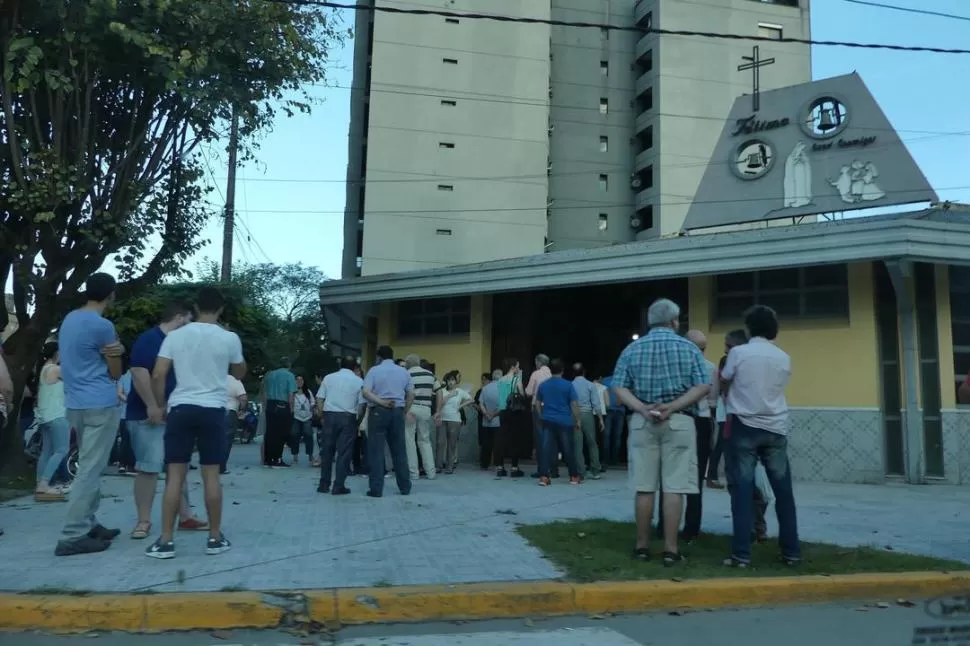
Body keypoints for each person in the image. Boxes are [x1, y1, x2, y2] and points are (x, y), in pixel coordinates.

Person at [145, 287, 246, 559]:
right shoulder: (230, 338)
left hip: (181, 407)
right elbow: (239, 371)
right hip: (213, 409)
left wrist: (159, 404)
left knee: (174, 476)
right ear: (221, 309)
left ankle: (165, 541)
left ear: (196, 307)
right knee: (211, 475)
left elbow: (158, 373)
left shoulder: (175, 336)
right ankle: (214, 538)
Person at [610, 298, 710, 567]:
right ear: (675, 321)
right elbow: (703, 386)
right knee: (674, 487)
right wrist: (673, 406)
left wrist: (642, 408)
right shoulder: (688, 348)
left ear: (650, 321)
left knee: (644, 487)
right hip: (678, 421)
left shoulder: (632, 349)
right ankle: (670, 549)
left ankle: (642, 546)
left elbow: (619, 386)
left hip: (643, 423)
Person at [721, 305, 801, 568]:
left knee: (742, 492)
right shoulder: (783, 357)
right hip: (776, 427)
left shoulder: (738, 353)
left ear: (749, 328)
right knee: (784, 492)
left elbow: (724, 379)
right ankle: (791, 552)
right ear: (773, 329)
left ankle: (741, 554)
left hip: (744, 424)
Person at [55, 272, 126, 556]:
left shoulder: (69, 319)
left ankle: (89, 523)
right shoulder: (102, 325)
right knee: (89, 469)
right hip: (100, 402)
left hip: (75, 403)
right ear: (111, 294)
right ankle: (73, 534)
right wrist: (119, 350)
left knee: (89, 464)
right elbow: (115, 371)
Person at [126, 301, 206, 541]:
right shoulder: (149, 339)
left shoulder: (179, 343)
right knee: (149, 468)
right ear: (180, 317)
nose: (191, 326)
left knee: (177, 467)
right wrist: (152, 406)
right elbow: (139, 373)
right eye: (190, 320)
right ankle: (144, 521)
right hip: (146, 415)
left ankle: (185, 516)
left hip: (174, 415)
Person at [361, 346, 413, 497]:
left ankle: (376, 489)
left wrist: (381, 402)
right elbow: (411, 394)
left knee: (376, 451)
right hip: (397, 410)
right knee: (399, 450)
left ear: (379, 357)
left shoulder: (374, 371)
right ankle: (405, 487)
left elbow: (365, 392)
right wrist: (404, 410)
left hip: (378, 411)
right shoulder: (403, 372)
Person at [316, 356, 364, 495]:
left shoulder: (328, 378)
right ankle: (338, 486)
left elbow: (320, 399)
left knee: (327, 452)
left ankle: (324, 485)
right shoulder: (359, 381)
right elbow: (362, 405)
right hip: (348, 417)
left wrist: (321, 416)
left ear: (340, 365)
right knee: (344, 453)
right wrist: (357, 422)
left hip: (330, 416)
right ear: (355, 367)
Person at [707, 330, 748, 488]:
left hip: (733, 410)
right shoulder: (727, 360)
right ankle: (715, 476)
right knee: (723, 445)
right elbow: (724, 384)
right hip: (727, 410)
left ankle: (720, 476)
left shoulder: (740, 359)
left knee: (726, 445)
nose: (725, 349)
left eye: (728, 345)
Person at [534, 359, 583, 486]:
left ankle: (544, 477)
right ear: (562, 370)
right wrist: (577, 420)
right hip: (565, 422)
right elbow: (574, 404)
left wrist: (541, 415)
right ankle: (573, 476)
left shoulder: (543, 385)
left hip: (548, 420)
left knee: (546, 449)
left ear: (550, 370)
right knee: (568, 450)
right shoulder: (568, 385)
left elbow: (537, 403)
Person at [34, 342, 70, 502]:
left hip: (45, 416)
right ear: (56, 353)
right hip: (57, 415)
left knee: (47, 451)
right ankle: (44, 484)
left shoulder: (44, 369)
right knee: (61, 449)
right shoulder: (55, 370)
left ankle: (40, 484)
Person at [434, 370, 475, 474]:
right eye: (449, 380)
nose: (451, 382)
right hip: (442, 418)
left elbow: (471, 400)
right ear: (446, 381)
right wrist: (450, 395)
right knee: (440, 443)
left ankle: (449, 467)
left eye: (453, 380)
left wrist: (461, 406)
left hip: (454, 419)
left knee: (452, 444)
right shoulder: (442, 391)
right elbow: (440, 402)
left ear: (456, 381)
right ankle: (438, 466)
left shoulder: (460, 391)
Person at [403, 354, 437, 480]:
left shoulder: (406, 374)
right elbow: (437, 391)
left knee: (410, 440)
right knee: (425, 440)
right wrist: (437, 411)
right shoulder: (430, 374)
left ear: (408, 363)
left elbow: (405, 393)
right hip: (426, 409)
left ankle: (413, 473)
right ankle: (431, 472)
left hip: (411, 408)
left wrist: (405, 410)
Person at [261, 358, 297, 467]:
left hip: (270, 405)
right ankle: (277, 459)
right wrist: (291, 409)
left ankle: (267, 459)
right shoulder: (289, 375)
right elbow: (291, 394)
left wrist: (265, 406)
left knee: (270, 432)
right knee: (281, 433)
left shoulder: (270, 375)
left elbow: (264, 392)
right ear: (289, 365)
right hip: (283, 405)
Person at [494, 358, 527, 478]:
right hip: (514, 412)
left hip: (503, 411)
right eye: (518, 366)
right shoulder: (516, 379)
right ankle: (514, 467)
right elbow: (522, 394)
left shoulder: (501, 380)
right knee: (515, 439)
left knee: (502, 439)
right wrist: (520, 378)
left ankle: (500, 467)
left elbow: (500, 396)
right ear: (513, 367)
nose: (519, 368)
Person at [571, 363, 603, 480]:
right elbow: (596, 403)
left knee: (577, 445)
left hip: (574, 415)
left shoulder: (571, 385)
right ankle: (595, 470)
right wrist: (600, 419)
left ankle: (581, 471)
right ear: (584, 372)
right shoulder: (590, 385)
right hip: (588, 414)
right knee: (592, 443)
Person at [222, 373, 247, 474]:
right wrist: (241, 409)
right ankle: (221, 466)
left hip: (211, 412)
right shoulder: (234, 380)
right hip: (228, 412)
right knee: (226, 440)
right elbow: (243, 398)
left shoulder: (210, 377)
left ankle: (209, 466)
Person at [289, 375, 315, 466]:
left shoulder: (308, 392)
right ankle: (295, 457)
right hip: (296, 417)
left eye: (301, 380)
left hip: (307, 418)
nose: (299, 382)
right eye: (297, 380)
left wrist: (311, 410)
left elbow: (312, 403)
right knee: (294, 436)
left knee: (309, 437)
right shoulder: (292, 392)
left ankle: (310, 457)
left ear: (303, 381)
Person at [476, 372, 496, 469]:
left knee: (485, 442)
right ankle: (496, 463)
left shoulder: (483, 390)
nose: (483, 381)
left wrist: (486, 414)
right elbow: (502, 405)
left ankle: (485, 463)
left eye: (484, 379)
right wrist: (492, 415)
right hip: (496, 419)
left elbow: (480, 404)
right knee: (491, 442)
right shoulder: (502, 388)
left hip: (485, 419)